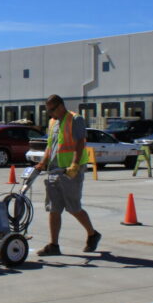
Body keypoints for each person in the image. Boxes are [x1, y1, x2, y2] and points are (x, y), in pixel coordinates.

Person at [33, 94, 103, 255]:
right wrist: (42, 163)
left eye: (51, 110)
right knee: (53, 208)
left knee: (73, 207)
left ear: (60, 106)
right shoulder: (52, 123)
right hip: (54, 168)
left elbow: (80, 143)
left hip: (70, 170)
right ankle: (53, 245)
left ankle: (93, 234)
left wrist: (75, 165)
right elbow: (50, 146)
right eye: (48, 110)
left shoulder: (75, 119)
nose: (50, 114)